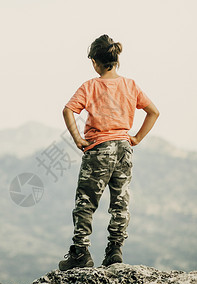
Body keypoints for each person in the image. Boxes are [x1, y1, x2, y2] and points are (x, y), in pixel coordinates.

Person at [58, 34, 159, 271]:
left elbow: (67, 111)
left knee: (86, 202)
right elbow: (153, 112)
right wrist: (136, 138)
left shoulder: (90, 86)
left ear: (95, 61)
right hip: (124, 149)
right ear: (115, 59)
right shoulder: (131, 85)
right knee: (120, 202)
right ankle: (114, 251)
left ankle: (80, 252)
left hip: (98, 150)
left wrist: (78, 139)